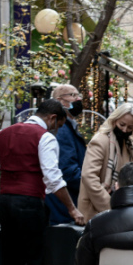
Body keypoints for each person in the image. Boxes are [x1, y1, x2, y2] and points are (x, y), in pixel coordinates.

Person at [0, 99, 83, 265]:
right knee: (34, 262)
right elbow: (53, 178)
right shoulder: (45, 138)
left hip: (5, 203)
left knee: (11, 262)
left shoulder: (3, 134)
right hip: (30, 204)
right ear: (52, 118)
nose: (56, 131)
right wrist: (72, 209)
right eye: (57, 126)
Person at [77, 103, 133, 221]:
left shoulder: (127, 146)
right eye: (122, 124)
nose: (124, 129)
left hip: (118, 210)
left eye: (129, 127)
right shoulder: (100, 140)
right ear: (114, 120)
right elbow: (89, 176)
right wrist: (109, 205)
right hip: (96, 210)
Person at [47, 84, 87, 225]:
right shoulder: (62, 129)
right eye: (73, 95)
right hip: (64, 205)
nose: (78, 99)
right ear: (59, 101)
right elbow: (68, 170)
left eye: (78, 95)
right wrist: (90, 185)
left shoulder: (69, 126)